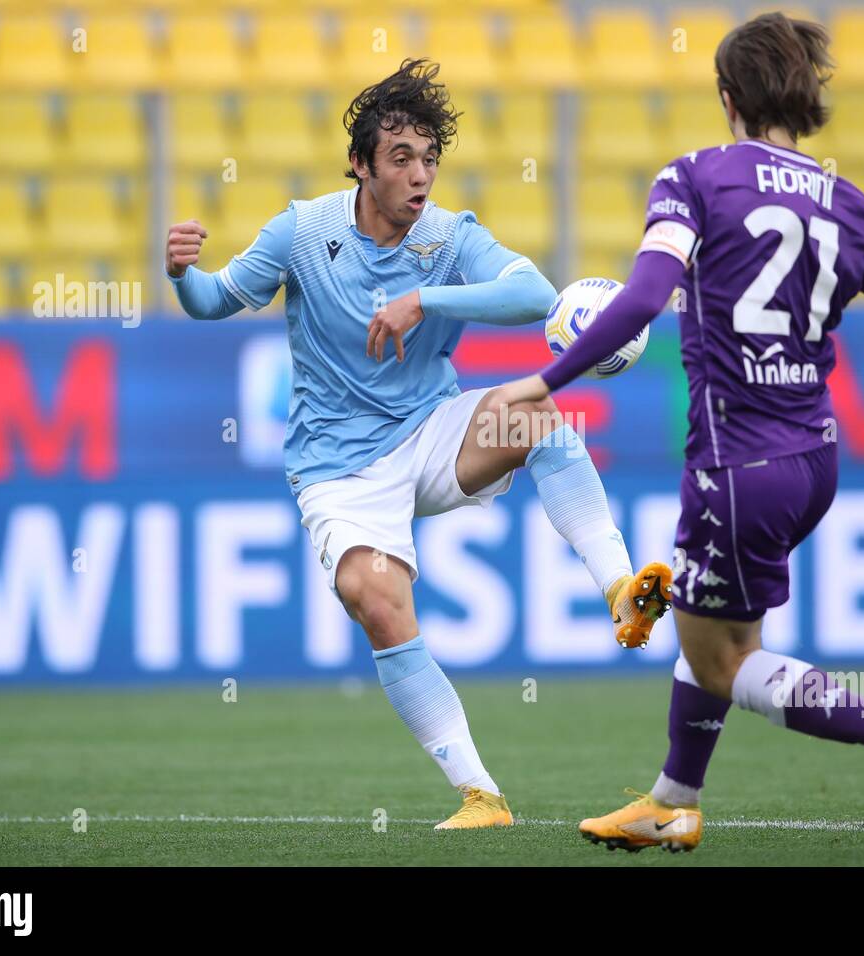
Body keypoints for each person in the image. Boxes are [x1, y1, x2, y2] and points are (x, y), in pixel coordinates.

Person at [490, 14, 864, 851]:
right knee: (716, 627)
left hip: (737, 463)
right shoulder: (853, 207)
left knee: (723, 662)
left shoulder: (695, 179)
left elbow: (641, 302)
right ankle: (674, 800)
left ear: (727, 96)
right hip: (814, 459)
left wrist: (540, 379)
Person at [165, 59, 672, 830]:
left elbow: (536, 294)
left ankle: (618, 589)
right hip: (338, 469)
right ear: (362, 165)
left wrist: (422, 298)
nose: (420, 175)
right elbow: (211, 301)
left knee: (532, 414)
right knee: (374, 597)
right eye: (401, 158)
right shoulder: (302, 233)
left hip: (433, 435)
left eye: (430, 158)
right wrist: (181, 272)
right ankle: (482, 796)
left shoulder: (446, 238)